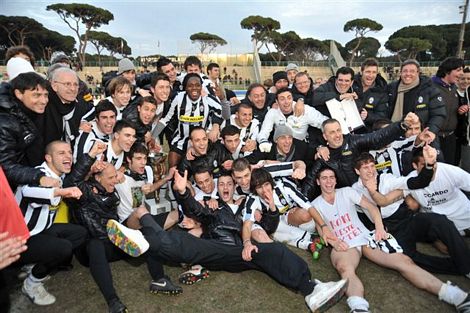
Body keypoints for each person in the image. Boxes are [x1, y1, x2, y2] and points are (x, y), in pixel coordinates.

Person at [107, 170, 349, 313]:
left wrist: (272, 208)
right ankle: (146, 238)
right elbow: (195, 209)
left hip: (240, 252)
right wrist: (181, 192)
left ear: (235, 187)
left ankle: (312, 288)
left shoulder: (247, 207)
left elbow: (268, 227)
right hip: (216, 249)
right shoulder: (213, 209)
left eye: (228, 184)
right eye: (220, 184)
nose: (224, 187)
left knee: (274, 251)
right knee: (187, 244)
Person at [312, 166, 470, 313]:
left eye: (331, 177)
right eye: (324, 178)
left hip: (365, 237)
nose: (329, 181)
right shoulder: (314, 205)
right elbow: (321, 230)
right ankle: (358, 307)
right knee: (345, 269)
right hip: (344, 243)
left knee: (404, 261)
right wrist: (334, 242)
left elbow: (372, 208)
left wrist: (379, 227)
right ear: (318, 181)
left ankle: (456, 296)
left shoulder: (346, 191)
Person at [64, 141, 181, 313]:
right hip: (92, 249)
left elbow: (132, 189)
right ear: (97, 177)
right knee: (95, 244)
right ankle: (113, 302)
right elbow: (71, 182)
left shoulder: (113, 195)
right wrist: (90, 158)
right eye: (110, 178)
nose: (115, 181)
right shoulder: (84, 193)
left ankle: (160, 279)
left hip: (115, 241)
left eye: (115, 177)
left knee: (146, 236)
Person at [353, 150, 470, 277]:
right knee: (408, 258)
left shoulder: (387, 179)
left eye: (372, 166)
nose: (370, 171)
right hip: (392, 229)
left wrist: (429, 166)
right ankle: (458, 267)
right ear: (357, 171)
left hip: (407, 219)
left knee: (440, 221)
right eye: (365, 168)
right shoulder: (354, 190)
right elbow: (360, 213)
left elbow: (416, 182)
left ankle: (466, 266)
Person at [16, 141, 88, 306]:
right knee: (62, 249)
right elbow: (28, 191)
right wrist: (59, 192)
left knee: (79, 233)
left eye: (69, 152)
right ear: (48, 158)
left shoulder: (59, 175)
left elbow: (77, 176)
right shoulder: (38, 174)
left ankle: (33, 264)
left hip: (41, 230)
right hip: (19, 239)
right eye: (61, 153)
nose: (68, 156)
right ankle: (32, 284)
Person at [303, 113, 419, 199]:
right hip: (348, 199)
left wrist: (401, 126)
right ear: (325, 136)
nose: (337, 135)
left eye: (338, 130)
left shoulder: (352, 141)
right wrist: (301, 204)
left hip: (369, 191)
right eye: (332, 132)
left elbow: (377, 137)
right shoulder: (324, 156)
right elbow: (310, 182)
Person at [0, 72, 60, 190]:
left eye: (45, 95)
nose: (43, 101)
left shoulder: (27, 112)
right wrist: (39, 177)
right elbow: (4, 166)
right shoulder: (5, 122)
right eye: (36, 95)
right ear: (19, 94)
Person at [153, 73, 223, 168]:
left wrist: (215, 127)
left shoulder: (207, 99)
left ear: (201, 87)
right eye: (190, 85)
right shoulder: (178, 98)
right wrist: (152, 137)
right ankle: (173, 181)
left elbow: (222, 113)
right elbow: (165, 119)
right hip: (181, 139)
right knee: (173, 162)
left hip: (200, 141)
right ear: (185, 88)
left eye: (197, 85)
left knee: (199, 169)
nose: (194, 88)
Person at [387, 59, 446, 144]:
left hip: (420, 137)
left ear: (418, 73)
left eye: (412, 71)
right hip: (395, 135)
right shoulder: (391, 88)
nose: (408, 74)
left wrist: (431, 131)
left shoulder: (429, 90)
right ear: (400, 73)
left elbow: (438, 114)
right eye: (405, 71)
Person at [258, 88, 327, 151]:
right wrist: (263, 141)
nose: (286, 102)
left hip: (301, 145)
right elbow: (264, 131)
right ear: (277, 102)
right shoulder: (273, 112)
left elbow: (325, 123)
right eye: (282, 99)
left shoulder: (305, 110)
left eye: (289, 98)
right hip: (281, 147)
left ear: (292, 99)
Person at [44, 67, 95, 146]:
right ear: (54, 86)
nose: (72, 88)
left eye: (75, 84)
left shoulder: (80, 104)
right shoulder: (43, 107)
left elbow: (94, 111)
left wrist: (83, 122)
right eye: (67, 84)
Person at [432, 57, 464, 165]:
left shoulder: (455, 88)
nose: (461, 73)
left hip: (450, 138)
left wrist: (460, 111)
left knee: (449, 169)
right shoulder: (430, 87)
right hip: (434, 138)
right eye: (458, 70)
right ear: (447, 71)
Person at [353, 58, 389, 130]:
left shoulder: (381, 91)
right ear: (361, 71)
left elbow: (382, 116)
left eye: (374, 72)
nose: (371, 75)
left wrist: (368, 116)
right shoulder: (351, 84)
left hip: (367, 131)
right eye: (368, 72)